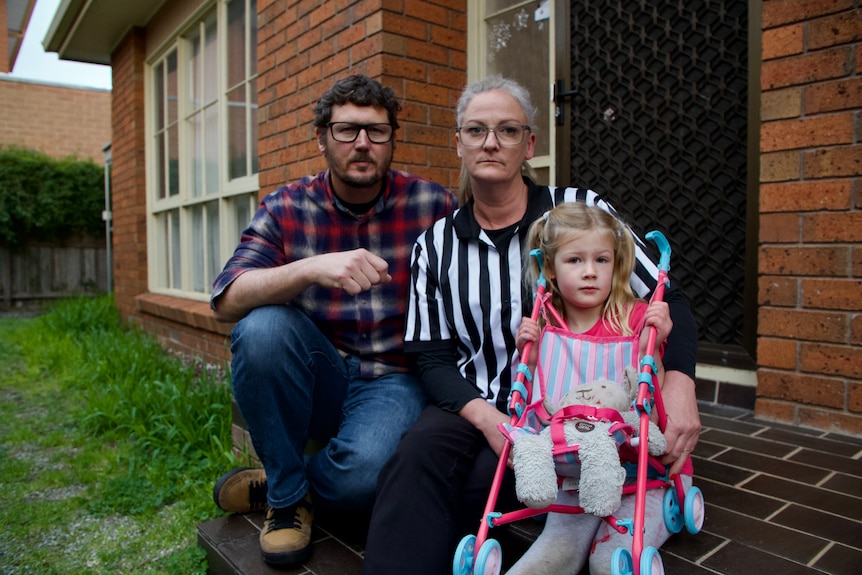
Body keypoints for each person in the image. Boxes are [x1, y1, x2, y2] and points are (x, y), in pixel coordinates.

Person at [360, 75, 700, 575]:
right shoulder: (434, 246)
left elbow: (669, 299)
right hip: (476, 401)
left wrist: (680, 384)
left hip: (576, 405)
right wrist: (489, 420)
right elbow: (430, 357)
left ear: (530, 144)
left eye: (508, 130)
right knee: (415, 461)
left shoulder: (581, 211)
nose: (491, 142)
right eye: (476, 130)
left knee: (490, 480)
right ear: (458, 143)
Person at [208, 74, 456, 567]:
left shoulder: (433, 205)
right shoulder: (286, 207)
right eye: (346, 130)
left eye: (376, 131)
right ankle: (285, 502)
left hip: (395, 379)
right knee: (261, 329)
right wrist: (310, 269)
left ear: (391, 140)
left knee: (360, 483)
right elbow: (227, 298)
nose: (362, 143)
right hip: (317, 373)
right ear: (321, 137)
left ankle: (286, 481)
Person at [503, 201, 690, 575]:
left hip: (641, 468)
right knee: (556, 546)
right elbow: (535, 404)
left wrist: (652, 348)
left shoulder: (636, 318)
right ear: (551, 271)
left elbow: (655, 409)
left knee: (608, 560)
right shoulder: (546, 327)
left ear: (615, 264)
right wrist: (530, 356)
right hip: (576, 468)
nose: (590, 272)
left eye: (601, 260)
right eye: (575, 261)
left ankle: (630, 534)